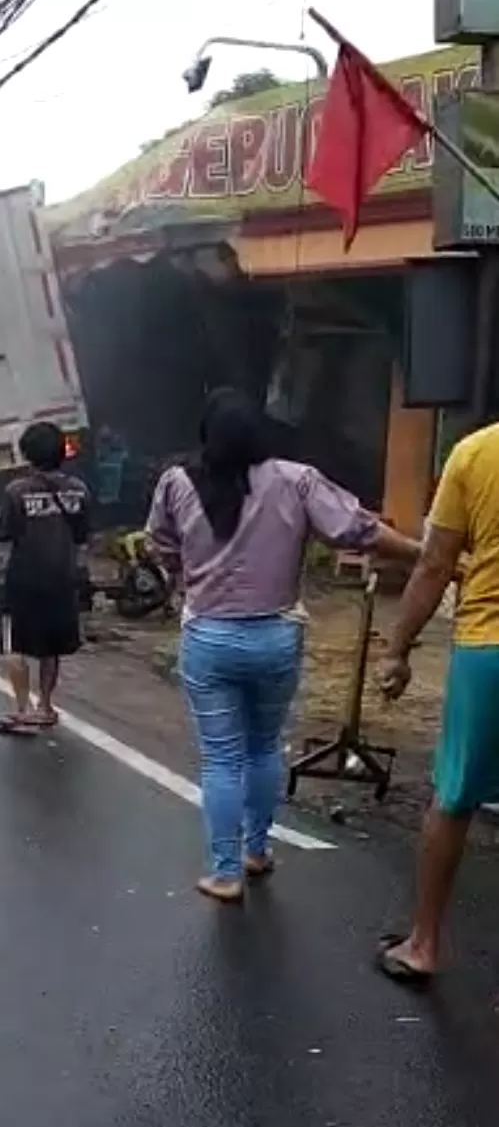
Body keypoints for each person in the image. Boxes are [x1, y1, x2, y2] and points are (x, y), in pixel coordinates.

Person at [146, 388, 420, 904]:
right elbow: (359, 530)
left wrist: (185, 576)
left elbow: (159, 541)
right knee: (265, 746)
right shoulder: (297, 480)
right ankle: (257, 849)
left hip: (209, 636)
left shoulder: (176, 482)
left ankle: (225, 873)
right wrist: (426, 553)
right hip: (275, 636)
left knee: (222, 759)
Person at [375, 420, 499, 986]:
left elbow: (434, 563)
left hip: (489, 648)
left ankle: (423, 945)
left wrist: (396, 650)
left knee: (454, 798)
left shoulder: (475, 453)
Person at [0, 421, 91, 734]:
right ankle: (45, 706)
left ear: (26, 454)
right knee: (51, 647)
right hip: (63, 577)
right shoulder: (79, 489)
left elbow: (2, 531)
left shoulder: (16, 491)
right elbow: (83, 533)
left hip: (24, 579)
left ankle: (22, 710)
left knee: (12, 645)